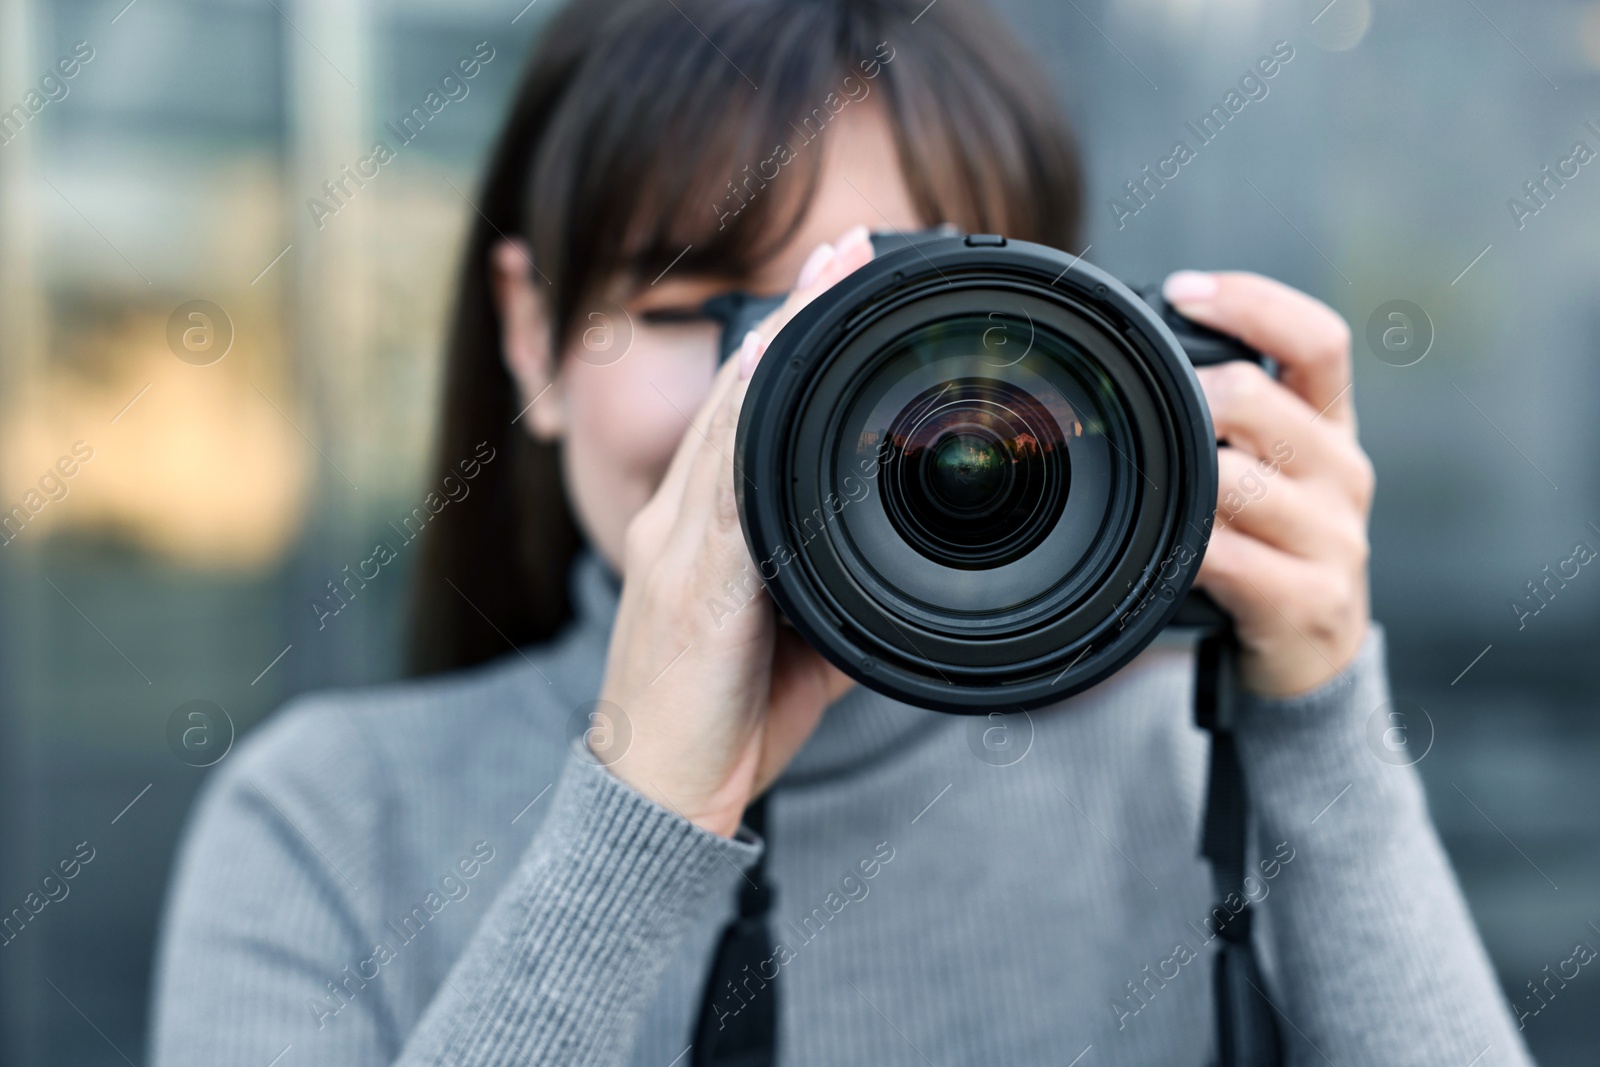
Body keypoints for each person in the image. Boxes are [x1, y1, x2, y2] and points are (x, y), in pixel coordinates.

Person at [149, 1, 1532, 1064]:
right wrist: (642, 811)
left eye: (913, 335)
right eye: (709, 309)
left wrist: (1321, 723)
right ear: (534, 332)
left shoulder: (1189, 778)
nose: (797, 414)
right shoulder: (329, 829)